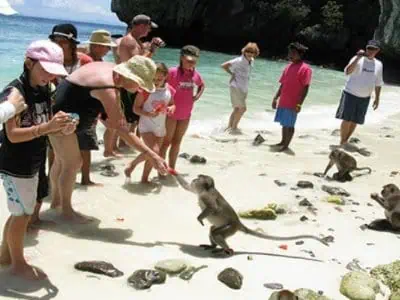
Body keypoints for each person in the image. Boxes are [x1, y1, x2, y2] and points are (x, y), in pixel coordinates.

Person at [49, 55, 168, 223]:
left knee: (61, 162)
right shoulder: (108, 88)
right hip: (62, 118)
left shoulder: (111, 71)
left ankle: (56, 203)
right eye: (140, 84)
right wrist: (153, 155)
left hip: (60, 112)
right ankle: (66, 212)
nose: (141, 89)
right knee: (72, 163)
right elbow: (122, 129)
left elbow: (111, 120)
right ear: (130, 77)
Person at [0, 40, 75, 280]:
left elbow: (45, 123)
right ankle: (17, 264)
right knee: (21, 214)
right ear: (29, 63)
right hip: (15, 163)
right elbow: (12, 135)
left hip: (34, 159)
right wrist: (46, 127)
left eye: (54, 71)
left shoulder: (45, 90)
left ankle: (5, 256)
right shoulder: (14, 93)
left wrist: (61, 127)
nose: (50, 76)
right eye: (45, 69)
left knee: (21, 212)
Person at [103, 15, 165, 156]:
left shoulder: (136, 41)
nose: (149, 30)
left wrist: (149, 46)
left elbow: (140, 59)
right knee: (118, 120)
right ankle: (109, 150)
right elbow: (137, 65)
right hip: (124, 85)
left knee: (128, 120)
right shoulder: (129, 41)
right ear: (141, 26)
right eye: (149, 27)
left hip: (130, 85)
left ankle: (119, 145)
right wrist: (152, 49)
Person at [77, 29, 117, 186]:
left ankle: (81, 176)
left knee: (83, 143)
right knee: (85, 143)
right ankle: (85, 179)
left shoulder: (86, 57)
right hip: (86, 108)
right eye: (106, 46)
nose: (108, 50)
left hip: (89, 107)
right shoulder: (87, 61)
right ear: (97, 46)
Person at [124, 62, 176, 183]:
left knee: (152, 155)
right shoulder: (145, 90)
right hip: (146, 125)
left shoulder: (169, 90)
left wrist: (172, 108)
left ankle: (144, 179)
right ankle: (132, 164)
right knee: (154, 152)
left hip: (160, 126)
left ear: (165, 76)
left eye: (159, 78)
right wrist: (148, 114)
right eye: (153, 78)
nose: (156, 81)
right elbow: (135, 108)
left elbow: (172, 103)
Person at [160, 45, 205, 170]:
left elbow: (202, 85)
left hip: (186, 114)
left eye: (194, 61)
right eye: (189, 60)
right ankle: (161, 169)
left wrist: (196, 97)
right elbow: (160, 85)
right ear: (181, 58)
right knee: (166, 142)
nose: (191, 63)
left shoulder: (195, 74)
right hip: (171, 114)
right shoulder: (172, 72)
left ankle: (172, 168)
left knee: (177, 142)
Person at [335, 40, 383, 145]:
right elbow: (347, 72)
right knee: (347, 119)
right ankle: (342, 141)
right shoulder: (358, 59)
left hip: (365, 97)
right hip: (350, 93)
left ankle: (345, 140)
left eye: (373, 49)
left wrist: (377, 98)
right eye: (369, 48)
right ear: (366, 48)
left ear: (377, 50)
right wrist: (357, 58)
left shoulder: (379, 64)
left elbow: (378, 83)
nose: (370, 51)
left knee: (355, 120)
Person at [271, 42, 312, 152]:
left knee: (290, 125)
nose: (290, 55)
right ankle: (283, 141)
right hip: (283, 100)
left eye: (293, 53)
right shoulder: (288, 67)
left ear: (300, 54)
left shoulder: (305, 69)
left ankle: (286, 145)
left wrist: (299, 104)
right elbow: (282, 84)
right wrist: (275, 98)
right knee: (284, 123)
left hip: (293, 102)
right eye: (290, 53)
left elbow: (305, 88)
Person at [221, 42, 259, 134]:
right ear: (244, 51)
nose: (249, 53)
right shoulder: (239, 60)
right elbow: (224, 65)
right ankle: (234, 128)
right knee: (243, 109)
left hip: (243, 87)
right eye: (248, 51)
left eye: (252, 52)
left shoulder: (251, 60)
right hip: (236, 86)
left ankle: (229, 127)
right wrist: (232, 74)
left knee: (237, 108)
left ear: (255, 53)